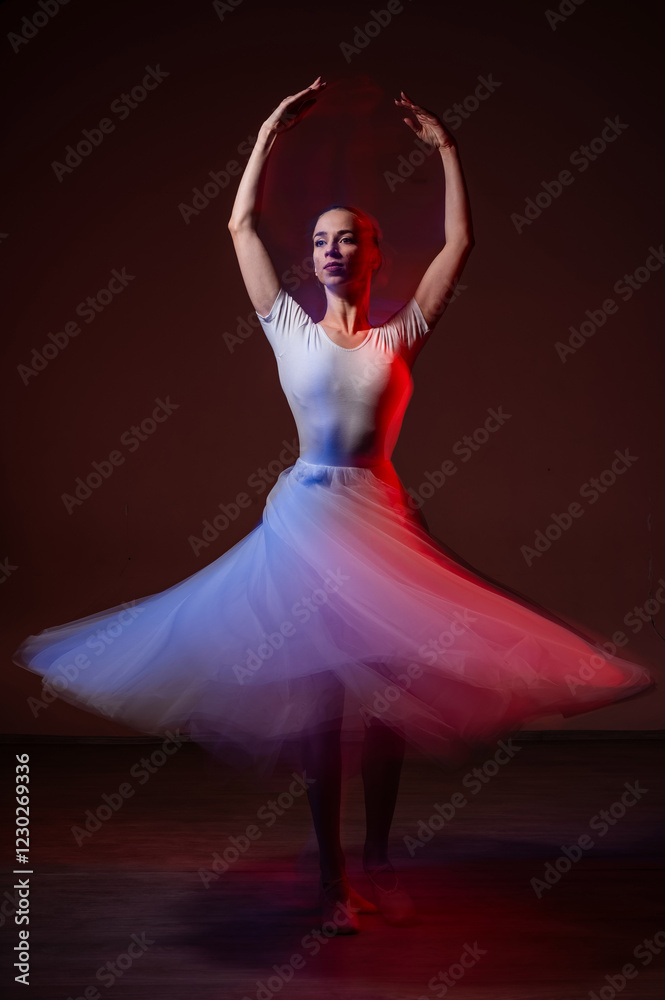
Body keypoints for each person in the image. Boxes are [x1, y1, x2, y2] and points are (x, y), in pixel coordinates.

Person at [13, 77, 655, 937]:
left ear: (375, 255)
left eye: (348, 240)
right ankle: (331, 877)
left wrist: (447, 152)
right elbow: (238, 225)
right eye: (320, 240)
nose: (331, 250)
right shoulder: (285, 325)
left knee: (387, 705)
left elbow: (460, 240)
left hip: (382, 515)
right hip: (311, 519)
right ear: (309, 258)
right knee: (325, 711)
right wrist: (271, 129)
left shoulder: (401, 332)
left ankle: (380, 854)